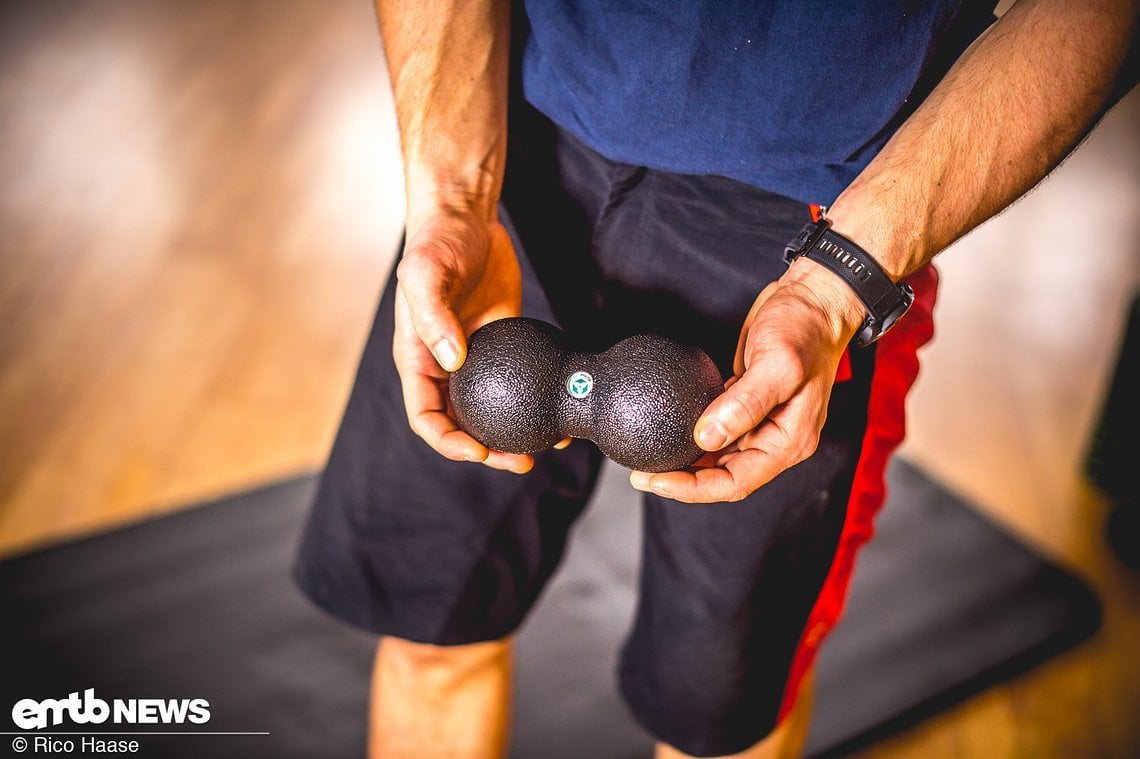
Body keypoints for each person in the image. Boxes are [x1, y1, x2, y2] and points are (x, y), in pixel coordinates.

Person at [294, 1, 1138, 756]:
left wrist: (837, 280)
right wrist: (450, 191)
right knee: (426, 629)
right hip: (516, 144)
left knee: (718, 719)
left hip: (816, 223)